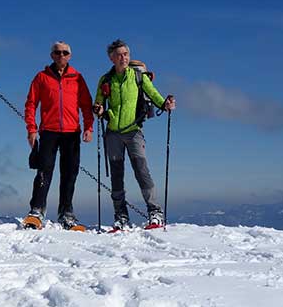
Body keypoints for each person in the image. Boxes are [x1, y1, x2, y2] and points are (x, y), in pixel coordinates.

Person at [93, 39, 176, 228]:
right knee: (116, 175)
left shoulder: (138, 77)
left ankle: (155, 212)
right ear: (111, 58)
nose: (123, 58)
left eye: (126, 54)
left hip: (134, 131)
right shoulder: (106, 80)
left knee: (141, 171)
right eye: (119, 55)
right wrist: (97, 109)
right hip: (113, 132)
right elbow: (98, 101)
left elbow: (154, 94)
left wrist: (165, 104)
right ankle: (121, 216)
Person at [24, 41, 94, 228]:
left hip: (72, 133)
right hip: (48, 131)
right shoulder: (41, 77)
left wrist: (89, 127)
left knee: (70, 173)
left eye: (65, 52)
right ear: (52, 55)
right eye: (57, 52)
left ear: (70, 56)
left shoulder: (77, 78)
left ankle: (66, 213)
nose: (61, 55)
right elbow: (31, 103)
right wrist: (31, 129)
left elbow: (86, 105)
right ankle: (36, 211)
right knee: (44, 171)